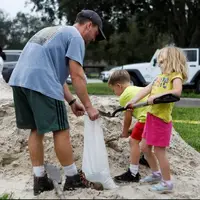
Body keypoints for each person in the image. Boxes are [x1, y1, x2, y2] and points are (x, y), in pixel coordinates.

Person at [9, 9, 106, 196]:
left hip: (20, 81)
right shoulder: (76, 38)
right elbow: (77, 75)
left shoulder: (53, 31)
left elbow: (54, 72)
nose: (93, 39)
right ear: (88, 25)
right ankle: (72, 178)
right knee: (61, 129)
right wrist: (89, 106)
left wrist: (71, 101)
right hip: (41, 83)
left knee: (36, 129)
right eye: (95, 33)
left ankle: (39, 180)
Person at [126, 46, 188, 193]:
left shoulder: (175, 76)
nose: (160, 63)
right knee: (144, 148)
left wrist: (157, 98)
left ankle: (167, 183)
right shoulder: (159, 78)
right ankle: (156, 174)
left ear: (172, 60)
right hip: (151, 118)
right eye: (159, 60)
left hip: (161, 121)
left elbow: (177, 92)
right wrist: (133, 102)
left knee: (160, 152)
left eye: (163, 60)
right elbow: (145, 90)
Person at [108, 70, 150, 183]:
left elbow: (128, 118)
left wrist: (125, 132)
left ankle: (133, 173)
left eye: (113, 90)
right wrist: (133, 129)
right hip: (154, 117)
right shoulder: (137, 89)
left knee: (133, 141)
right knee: (147, 140)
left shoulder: (124, 96)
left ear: (118, 86)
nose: (114, 92)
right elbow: (143, 110)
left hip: (146, 119)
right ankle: (147, 160)